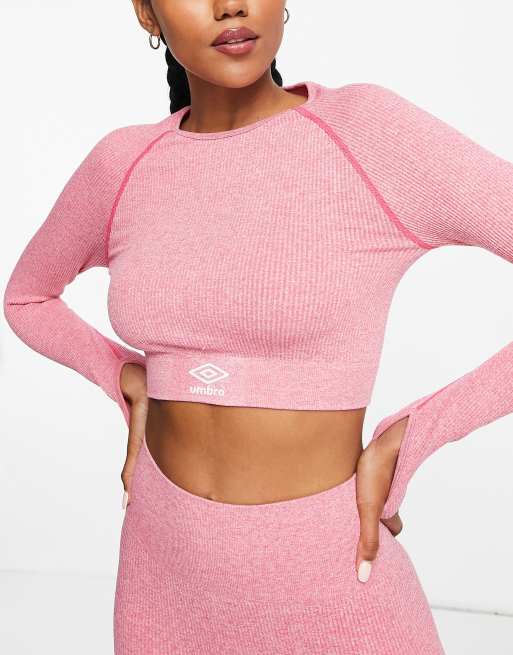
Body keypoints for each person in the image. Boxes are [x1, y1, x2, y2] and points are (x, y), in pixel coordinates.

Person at [4, 2, 513, 653]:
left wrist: (416, 431)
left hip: (334, 589)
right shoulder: (123, 163)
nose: (230, 4)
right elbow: (28, 297)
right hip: (162, 586)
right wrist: (122, 372)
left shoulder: (365, 133)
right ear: (147, 14)